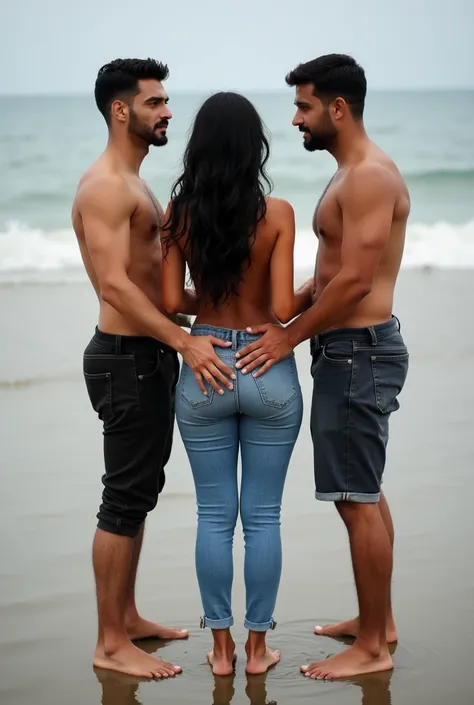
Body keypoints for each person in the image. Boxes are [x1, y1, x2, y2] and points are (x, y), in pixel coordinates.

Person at [235, 54, 410, 680]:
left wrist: (288, 339)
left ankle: (371, 649)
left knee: (355, 499)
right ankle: (378, 623)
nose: (297, 118)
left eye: (305, 106)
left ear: (338, 108)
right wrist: (295, 307)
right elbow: (335, 275)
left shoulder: (367, 177)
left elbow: (359, 280)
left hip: (357, 351)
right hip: (351, 350)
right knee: (363, 491)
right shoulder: (351, 174)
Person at [71, 58, 235, 680]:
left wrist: (240, 316)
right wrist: (186, 343)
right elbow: (114, 284)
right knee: (122, 499)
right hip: (125, 358)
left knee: (138, 494)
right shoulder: (107, 186)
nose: (168, 111)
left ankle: (127, 618)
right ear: (121, 110)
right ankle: (110, 641)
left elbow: (160, 287)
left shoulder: (134, 183)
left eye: (167, 101)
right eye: (155, 102)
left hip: (146, 354)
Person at [161, 91, 313, 676]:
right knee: (264, 516)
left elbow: (173, 301)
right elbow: (279, 306)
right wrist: (315, 293)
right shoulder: (275, 214)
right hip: (267, 368)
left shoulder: (180, 215)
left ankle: (220, 650)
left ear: (198, 147)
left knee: (214, 517)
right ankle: (257, 650)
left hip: (207, 368)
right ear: (256, 148)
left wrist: (213, 308)